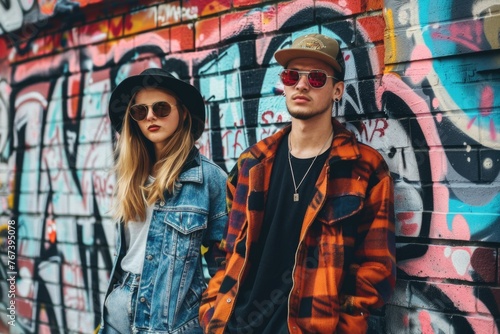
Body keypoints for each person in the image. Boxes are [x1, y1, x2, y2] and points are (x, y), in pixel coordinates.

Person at [199, 33, 396, 333]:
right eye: (292, 76)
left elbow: (376, 268)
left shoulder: (364, 168)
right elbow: (226, 251)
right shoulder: (251, 164)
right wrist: (211, 308)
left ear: (337, 91)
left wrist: (346, 326)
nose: (301, 85)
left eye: (316, 78)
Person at [99, 68, 228, 333]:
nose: (150, 117)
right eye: (139, 111)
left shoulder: (209, 180)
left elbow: (225, 269)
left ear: (182, 113)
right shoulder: (130, 176)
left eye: (161, 108)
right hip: (117, 316)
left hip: (174, 323)